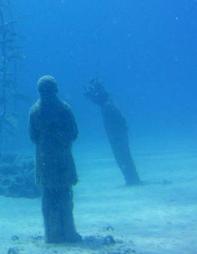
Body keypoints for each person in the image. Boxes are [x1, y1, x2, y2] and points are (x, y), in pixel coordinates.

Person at [28, 76, 82, 244]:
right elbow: (74, 133)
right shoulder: (64, 109)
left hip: (45, 161)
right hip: (63, 160)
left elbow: (32, 136)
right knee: (65, 196)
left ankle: (52, 235)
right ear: (56, 89)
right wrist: (61, 143)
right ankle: (69, 232)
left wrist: (46, 145)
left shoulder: (35, 111)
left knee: (49, 197)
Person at [84, 77, 141, 186]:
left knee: (122, 157)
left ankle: (132, 180)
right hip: (118, 136)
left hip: (117, 137)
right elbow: (121, 121)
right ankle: (132, 179)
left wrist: (117, 134)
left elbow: (118, 121)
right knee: (124, 156)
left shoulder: (107, 106)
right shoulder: (108, 104)